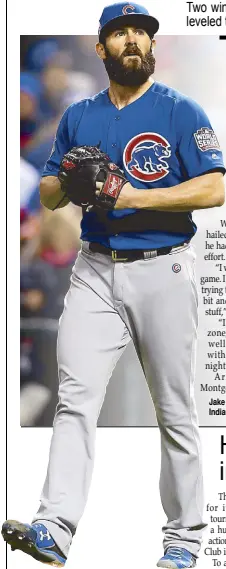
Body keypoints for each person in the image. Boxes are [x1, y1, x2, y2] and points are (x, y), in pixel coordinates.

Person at [3, 3, 225, 568]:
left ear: (151, 47)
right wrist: (69, 182)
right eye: (119, 33)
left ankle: (183, 540)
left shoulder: (179, 110)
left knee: (174, 409)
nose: (133, 41)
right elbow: (50, 192)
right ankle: (54, 528)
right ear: (101, 49)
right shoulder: (79, 115)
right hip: (95, 269)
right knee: (74, 402)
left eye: (141, 33)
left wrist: (135, 197)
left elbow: (214, 188)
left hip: (164, 266)